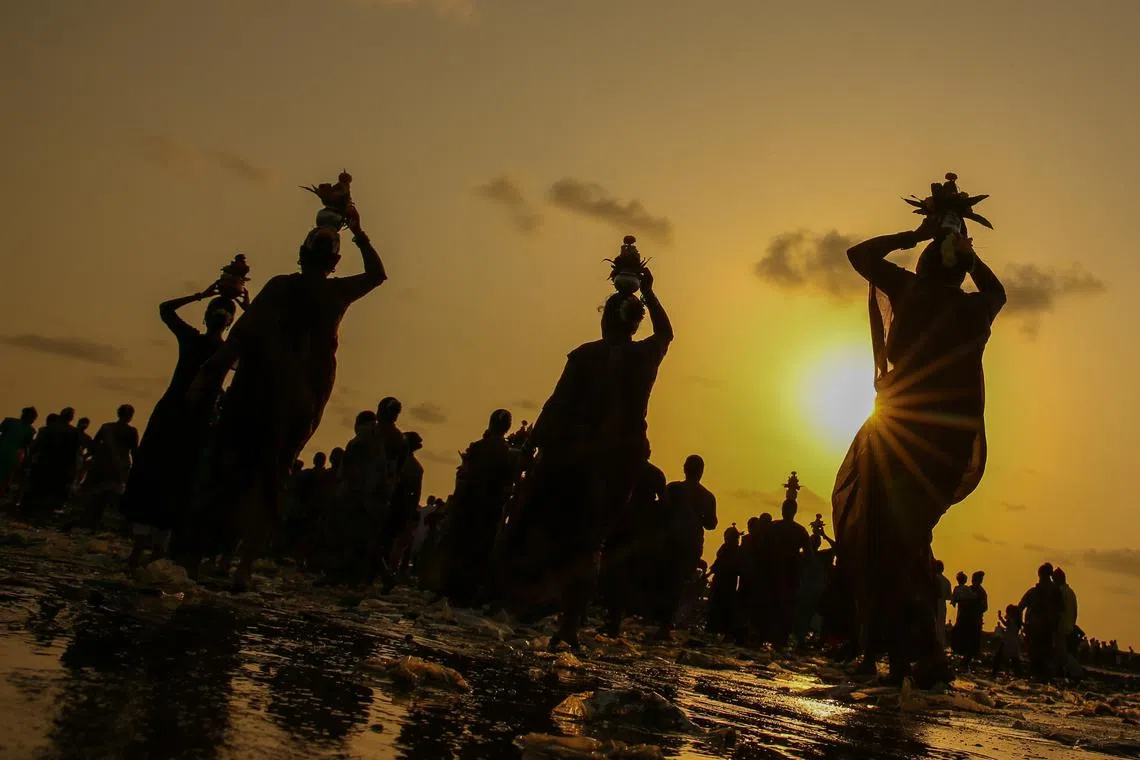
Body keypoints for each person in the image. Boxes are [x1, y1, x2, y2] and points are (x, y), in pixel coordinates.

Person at [833, 202, 1006, 684]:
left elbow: (859, 254)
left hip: (898, 434)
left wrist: (915, 233)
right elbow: (998, 292)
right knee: (908, 542)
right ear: (961, 267)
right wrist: (971, 256)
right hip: (942, 449)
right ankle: (907, 654)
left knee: (881, 540)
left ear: (928, 260)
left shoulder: (910, 291)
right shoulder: (973, 308)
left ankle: (887, 651)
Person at [186, 201, 387, 590]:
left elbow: (241, 336)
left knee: (229, 472)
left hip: (255, 394)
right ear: (335, 262)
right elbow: (378, 275)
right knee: (270, 477)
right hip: (299, 402)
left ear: (301, 255)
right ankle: (242, 567)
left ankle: (201, 559)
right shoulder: (336, 293)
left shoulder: (280, 286)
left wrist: (205, 376)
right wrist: (360, 231)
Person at [496, 265, 673, 650]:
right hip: (617, 464)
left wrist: (529, 448)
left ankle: (537, 606)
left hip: (576, 456)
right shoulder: (644, 357)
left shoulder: (586, 357)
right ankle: (569, 626)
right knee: (590, 540)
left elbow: (555, 404)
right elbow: (666, 333)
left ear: (607, 319)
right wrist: (650, 293)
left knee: (555, 530)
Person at [123, 286, 239, 568]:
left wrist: (201, 294)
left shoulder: (191, 340)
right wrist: (247, 308)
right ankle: (160, 549)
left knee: (155, 472)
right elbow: (257, 342)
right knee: (182, 479)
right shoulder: (226, 351)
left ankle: (139, 548)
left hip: (172, 412)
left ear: (206, 316)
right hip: (199, 419)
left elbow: (165, 309)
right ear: (229, 322)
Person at [441, 409, 518, 607]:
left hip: (469, 507)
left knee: (461, 548)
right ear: (507, 428)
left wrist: (454, 508)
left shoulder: (477, 448)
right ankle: (469, 593)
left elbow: (465, 477)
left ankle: (453, 590)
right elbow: (508, 488)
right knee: (480, 551)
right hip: (490, 511)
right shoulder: (508, 455)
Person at [660, 455, 718, 638]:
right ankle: (667, 622)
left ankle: (663, 621)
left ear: (685, 468)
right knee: (679, 584)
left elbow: (661, 511)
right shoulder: (707, 496)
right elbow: (711, 524)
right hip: (690, 544)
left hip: (670, 541)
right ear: (701, 472)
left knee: (667, 581)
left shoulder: (673, 488)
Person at [76, 405, 139, 531]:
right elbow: (134, 451)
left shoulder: (106, 427)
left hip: (101, 464)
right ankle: (96, 521)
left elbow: (94, 444)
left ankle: (86, 519)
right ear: (130, 416)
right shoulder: (132, 431)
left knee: (94, 492)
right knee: (107, 496)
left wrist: (91, 457)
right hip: (119, 467)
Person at [768, 497, 812, 647]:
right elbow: (809, 556)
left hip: (775, 571)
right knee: (785, 608)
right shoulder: (800, 531)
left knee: (774, 605)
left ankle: (773, 637)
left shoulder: (774, 527)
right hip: (788, 572)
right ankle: (780, 639)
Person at [1020, 563, 1064, 679]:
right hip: (1047, 632)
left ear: (1039, 574)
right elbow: (1060, 613)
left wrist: (1021, 625)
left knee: (1035, 662)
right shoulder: (1056, 592)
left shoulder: (1033, 592)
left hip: (1035, 630)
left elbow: (1020, 607)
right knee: (1045, 663)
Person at [0, 407, 38, 499]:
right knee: (6, 476)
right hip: (13, 455)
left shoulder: (9, 421)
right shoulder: (30, 430)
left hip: (3, 448)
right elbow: (27, 445)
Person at [992, 604, 1023, 677]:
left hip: (1007, 641)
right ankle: (1018, 675)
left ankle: (994, 673)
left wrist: (1000, 617)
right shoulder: (1018, 621)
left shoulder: (1010, 619)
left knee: (998, 657)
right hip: (1014, 642)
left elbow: (1006, 624)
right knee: (1015, 659)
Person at [933, 560, 952, 650]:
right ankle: (940, 646)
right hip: (942, 604)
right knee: (941, 625)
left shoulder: (933, 578)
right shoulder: (946, 581)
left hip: (933, 603)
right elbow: (949, 596)